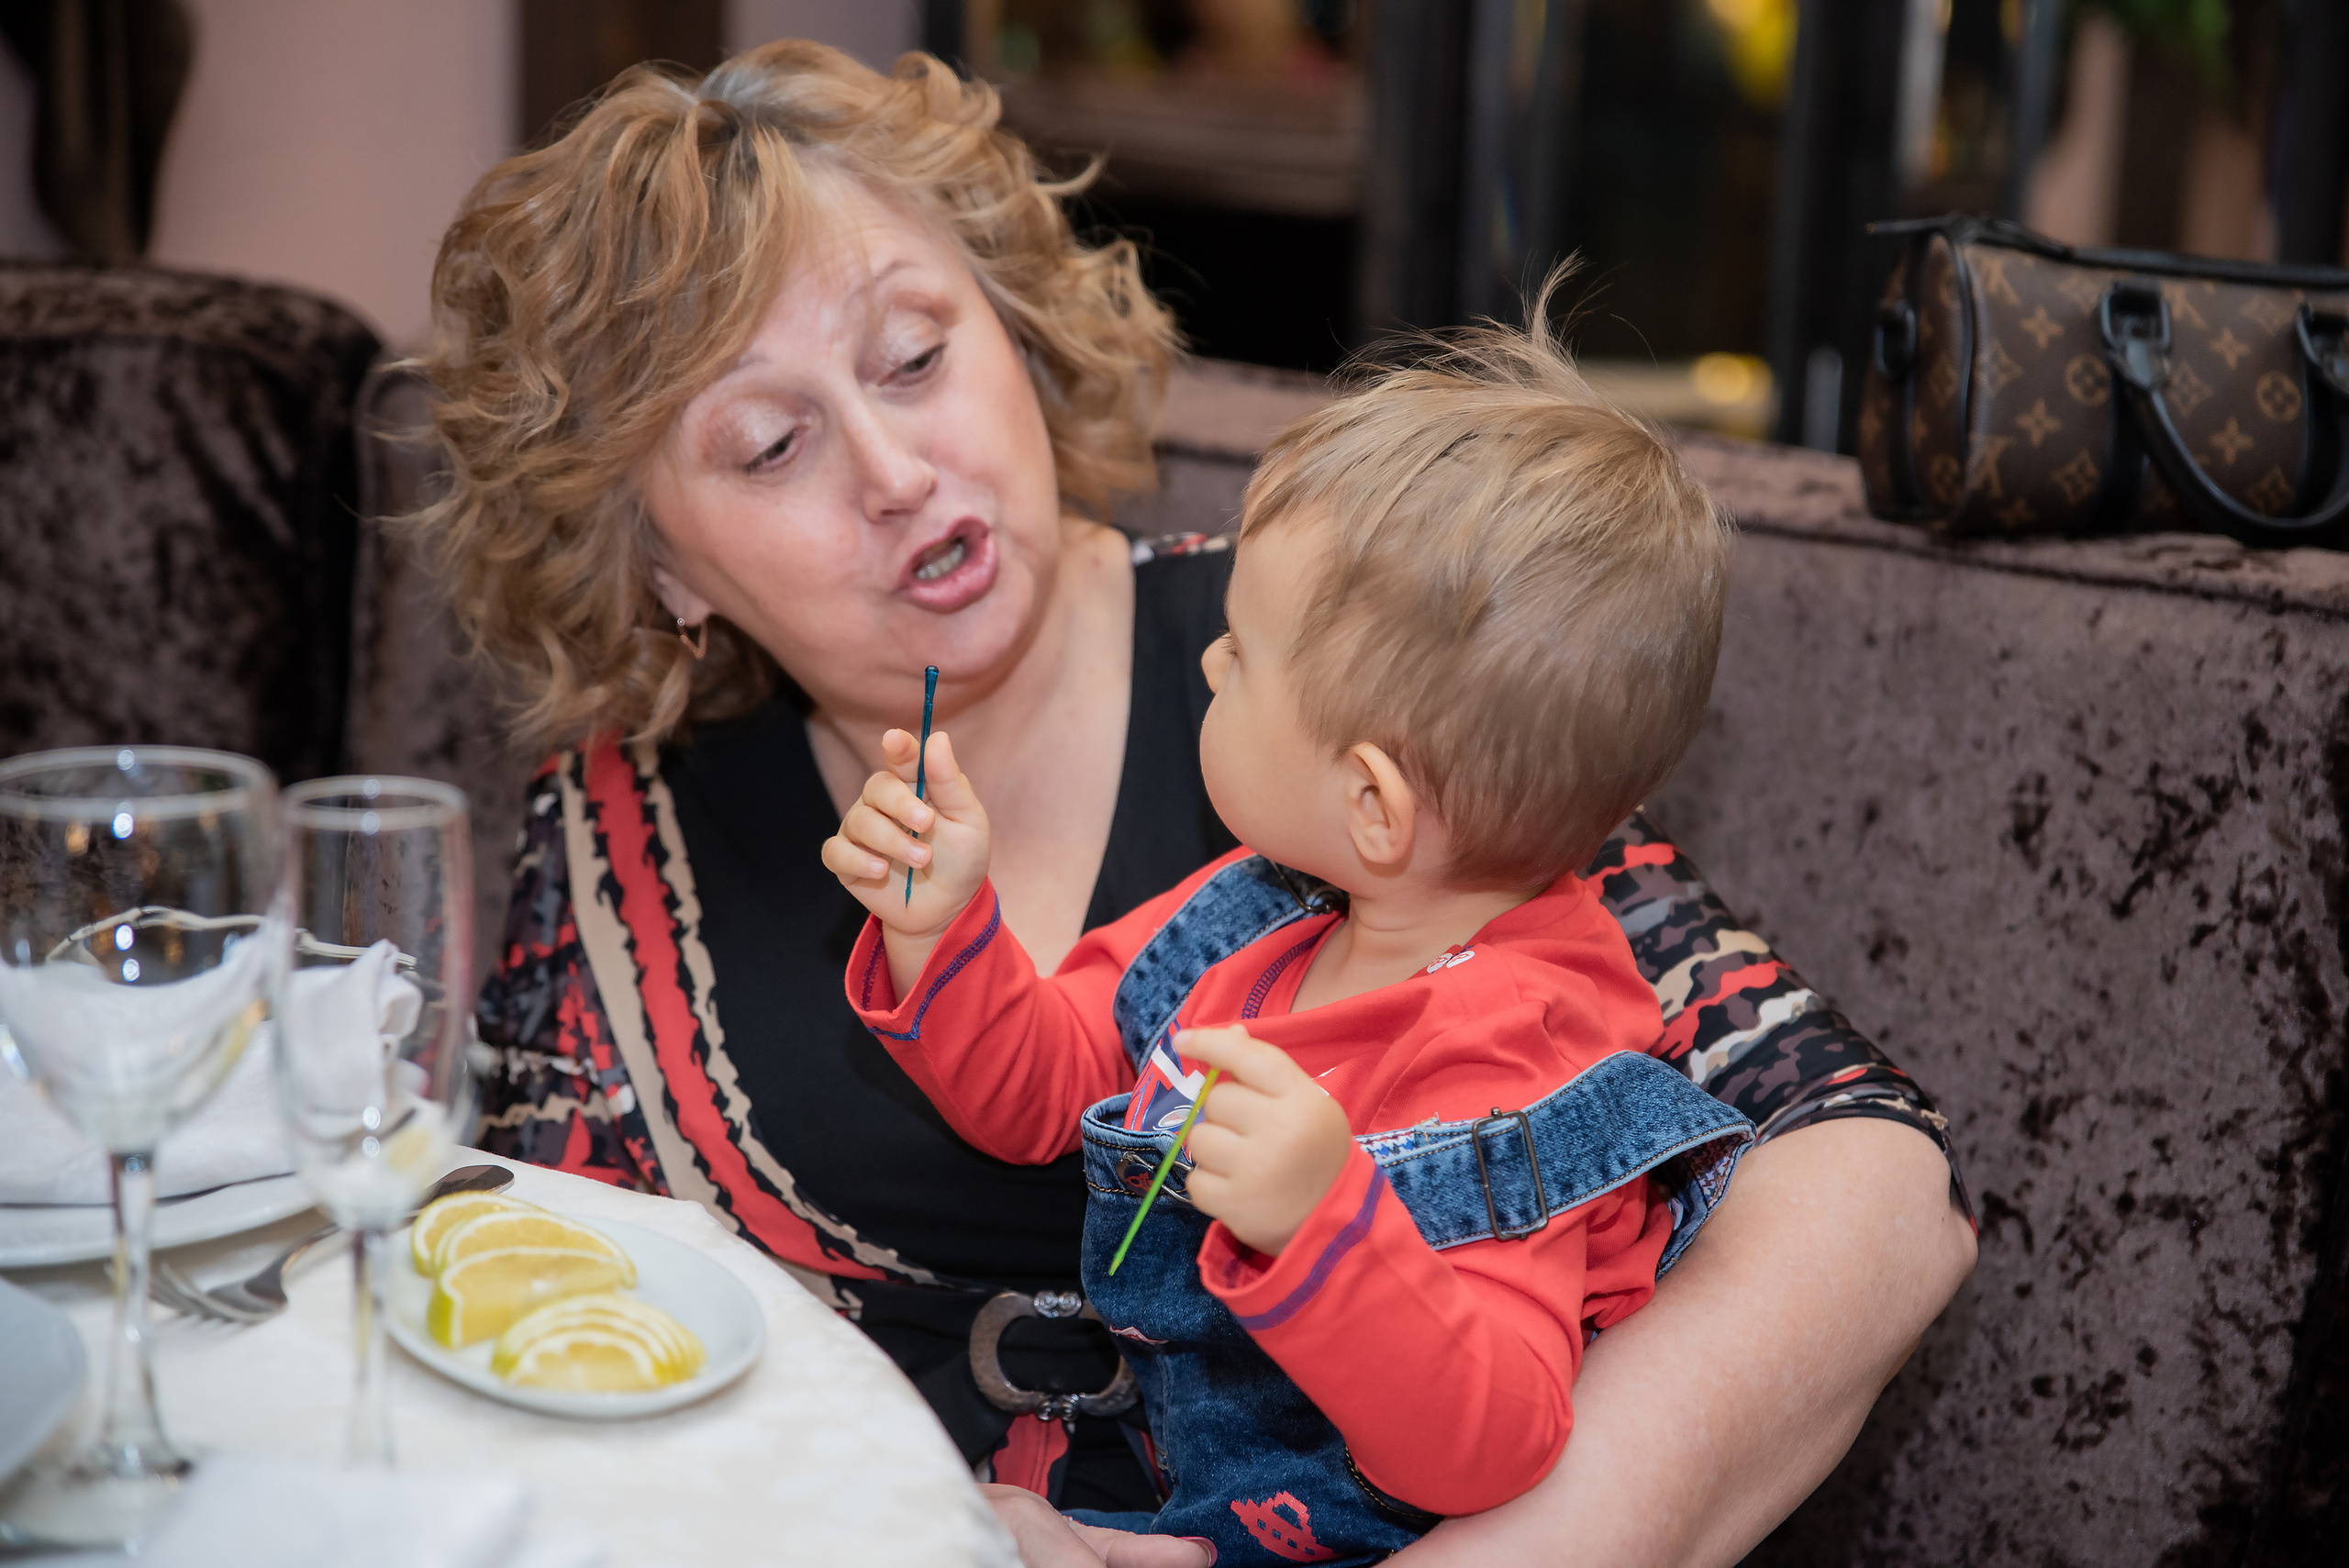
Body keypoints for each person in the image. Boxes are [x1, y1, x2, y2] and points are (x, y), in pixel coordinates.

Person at [419, 39, 1976, 1568]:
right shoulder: (624, 828)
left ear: (1014, 333)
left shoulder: (1331, 663)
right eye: (770, 444)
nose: (897, 470)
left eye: (914, 358)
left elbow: (1871, 1184)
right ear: (660, 559)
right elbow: (528, 1315)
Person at [827, 314, 1755, 1563]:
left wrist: (1327, 1223)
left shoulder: (1513, 1066)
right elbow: (1040, 1089)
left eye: (1240, 657)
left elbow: (1495, 1442)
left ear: (1373, 803)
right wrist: (941, 935)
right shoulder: (1252, 915)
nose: (1201, 659)